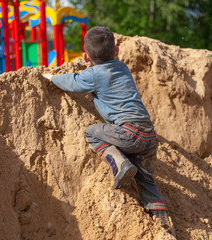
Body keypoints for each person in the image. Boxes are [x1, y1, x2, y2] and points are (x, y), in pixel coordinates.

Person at [42, 26, 175, 235]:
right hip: (149, 136)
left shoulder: (94, 74)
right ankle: (165, 228)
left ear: (85, 56)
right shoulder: (122, 67)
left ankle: (120, 162)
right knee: (147, 182)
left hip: (128, 134)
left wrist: (50, 77)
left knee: (91, 133)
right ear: (117, 51)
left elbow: (73, 82)